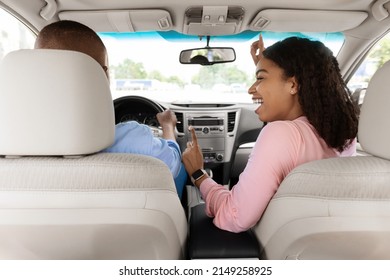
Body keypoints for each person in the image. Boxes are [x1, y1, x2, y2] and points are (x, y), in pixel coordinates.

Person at [182, 35, 359, 233]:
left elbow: (234, 217)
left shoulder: (280, 134)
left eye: (260, 78)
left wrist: (199, 175)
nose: (251, 89)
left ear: (293, 85)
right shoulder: (344, 135)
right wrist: (267, 70)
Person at [35, 20, 187, 198]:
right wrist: (168, 127)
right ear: (103, 74)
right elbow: (173, 163)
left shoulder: (11, 144)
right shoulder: (134, 138)